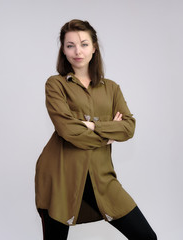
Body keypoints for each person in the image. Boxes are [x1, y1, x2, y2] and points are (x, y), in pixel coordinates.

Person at [35, 19, 157, 240]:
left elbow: (128, 128)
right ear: (63, 50)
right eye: (70, 45)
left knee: (145, 236)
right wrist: (108, 134)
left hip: (101, 177)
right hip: (60, 175)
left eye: (83, 44)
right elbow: (68, 131)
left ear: (94, 47)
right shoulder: (55, 84)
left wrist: (92, 126)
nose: (77, 51)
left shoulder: (111, 88)